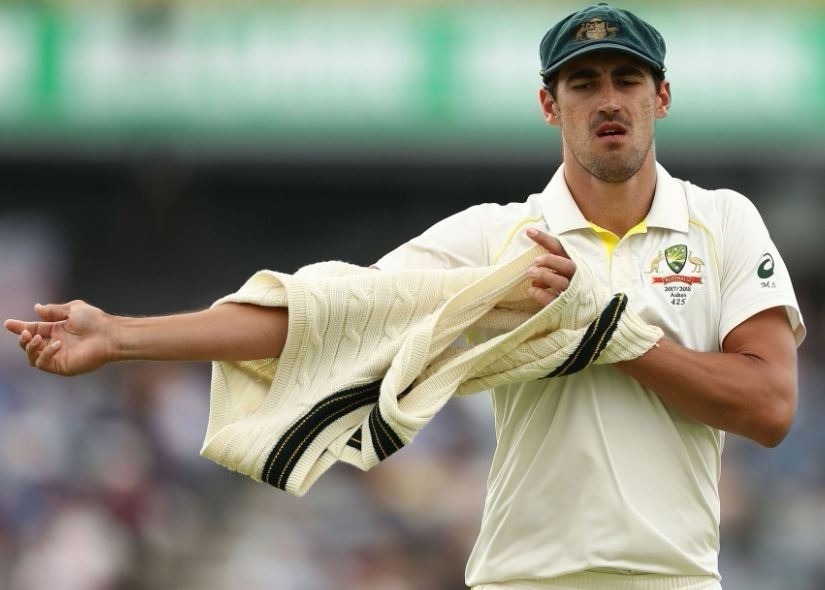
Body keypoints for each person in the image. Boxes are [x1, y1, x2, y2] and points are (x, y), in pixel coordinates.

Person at [3, 4, 805, 590]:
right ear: (548, 105)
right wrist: (121, 336)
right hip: (524, 578)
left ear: (660, 97)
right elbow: (326, 314)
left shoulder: (722, 223)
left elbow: (769, 407)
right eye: (582, 82)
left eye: (627, 79)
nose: (608, 100)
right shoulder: (501, 237)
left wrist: (613, 334)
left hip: (676, 577)